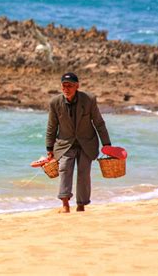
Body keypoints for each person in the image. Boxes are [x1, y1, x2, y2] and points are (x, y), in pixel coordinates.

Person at [46, 72, 111, 213]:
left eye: (70, 86)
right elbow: (52, 126)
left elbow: (99, 123)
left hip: (86, 142)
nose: (66, 89)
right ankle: (65, 204)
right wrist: (49, 147)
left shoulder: (89, 100)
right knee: (64, 170)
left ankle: (81, 205)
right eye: (64, 86)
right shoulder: (55, 103)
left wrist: (107, 145)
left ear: (77, 86)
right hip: (64, 143)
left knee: (83, 173)